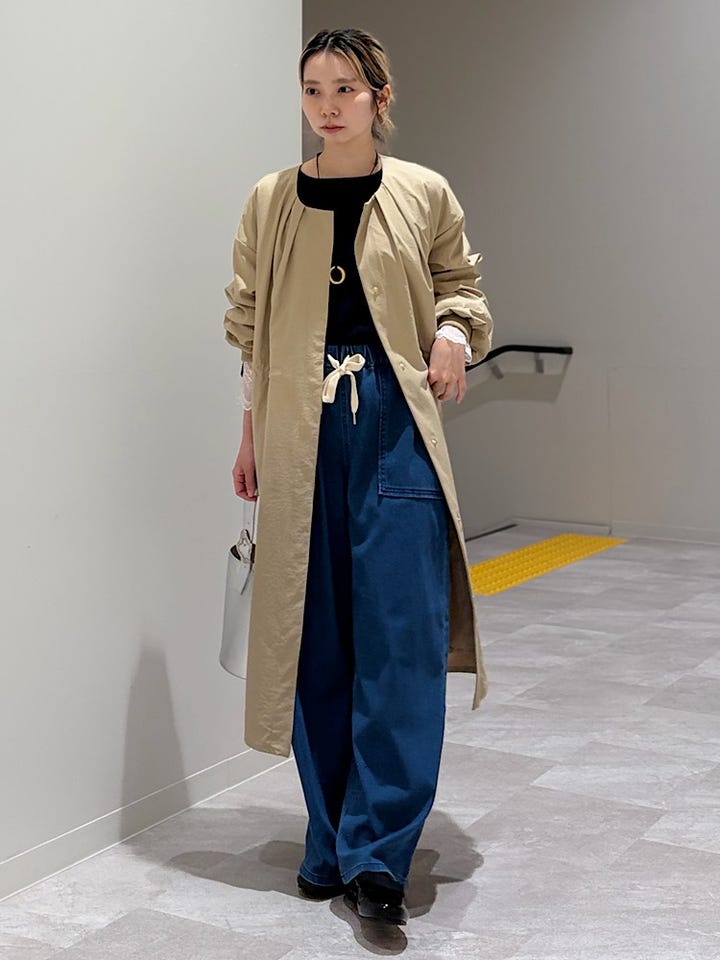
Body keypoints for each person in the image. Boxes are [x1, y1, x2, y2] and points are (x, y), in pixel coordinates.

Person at [223, 28, 493, 926]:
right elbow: (249, 328)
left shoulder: (423, 192)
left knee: (399, 638)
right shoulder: (271, 200)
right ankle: (332, 834)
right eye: (314, 89)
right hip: (296, 426)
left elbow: (462, 286)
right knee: (314, 637)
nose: (328, 105)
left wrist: (449, 334)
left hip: (390, 419)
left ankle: (379, 853)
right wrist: (250, 434)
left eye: (346, 87)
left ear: (380, 94)